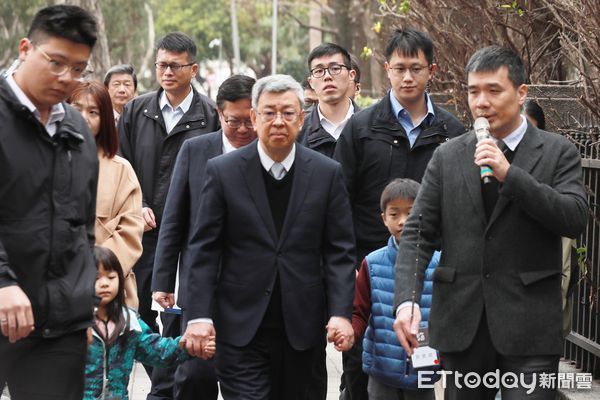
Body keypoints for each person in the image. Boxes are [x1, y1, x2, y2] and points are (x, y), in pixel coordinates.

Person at [393, 46, 588, 399]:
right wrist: (407, 302)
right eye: (473, 91)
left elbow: (573, 218)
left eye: (493, 90)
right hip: (461, 321)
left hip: (529, 325)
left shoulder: (559, 151)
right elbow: (418, 234)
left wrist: (510, 175)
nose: (481, 102)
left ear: (521, 93)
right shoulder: (447, 156)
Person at [181, 74, 356, 400]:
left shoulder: (326, 173)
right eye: (269, 112)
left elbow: (339, 251)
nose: (279, 121)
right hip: (239, 327)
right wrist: (199, 316)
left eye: (288, 113)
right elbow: (204, 250)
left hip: (303, 329)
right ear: (254, 117)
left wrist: (341, 312)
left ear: (301, 119)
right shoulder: (223, 172)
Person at [334, 27, 465, 400]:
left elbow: (459, 206)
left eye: (416, 68)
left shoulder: (450, 131)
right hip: (370, 273)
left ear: (431, 71)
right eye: (399, 68)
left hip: (430, 276)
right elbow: (339, 199)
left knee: (422, 370)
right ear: (386, 69)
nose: (408, 77)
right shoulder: (360, 128)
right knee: (362, 370)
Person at [0, 5, 99, 400]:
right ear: (25, 48)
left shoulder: (77, 129)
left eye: (77, 69)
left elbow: (83, 227)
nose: (66, 78)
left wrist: (84, 305)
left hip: (59, 326)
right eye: (55, 62)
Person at [118, 31, 219, 378]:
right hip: (142, 232)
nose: (167, 72)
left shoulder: (210, 115)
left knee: (180, 313)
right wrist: (139, 203)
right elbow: (122, 162)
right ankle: (161, 380)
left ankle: (172, 383)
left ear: (193, 69)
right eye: (162, 65)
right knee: (138, 313)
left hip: (189, 235)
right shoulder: (136, 110)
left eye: (175, 66)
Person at [151, 74, 257, 400]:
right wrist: (163, 280)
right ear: (218, 112)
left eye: (249, 120)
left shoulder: (272, 154)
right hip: (200, 282)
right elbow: (174, 219)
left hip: (252, 284)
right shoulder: (195, 150)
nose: (242, 130)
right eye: (233, 121)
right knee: (194, 373)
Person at [84, 246, 213, 400]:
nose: (105, 283)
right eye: (97, 278)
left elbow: (158, 351)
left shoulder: (129, 323)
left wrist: (189, 345)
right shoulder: (74, 324)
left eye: (111, 277)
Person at [352, 178, 437, 400]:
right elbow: (359, 310)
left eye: (410, 212)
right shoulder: (372, 263)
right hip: (381, 368)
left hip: (424, 367)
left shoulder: (439, 264)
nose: (403, 221)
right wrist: (350, 332)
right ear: (383, 219)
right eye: (394, 214)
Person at [68, 80, 143, 310]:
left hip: (110, 296)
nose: (84, 118)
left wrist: (95, 273)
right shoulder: (44, 162)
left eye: (93, 112)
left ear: (106, 120)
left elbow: (129, 233)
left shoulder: (121, 170)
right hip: (57, 289)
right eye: (76, 109)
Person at [300, 42, 359, 158]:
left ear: (351, 75)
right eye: (319, 71)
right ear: (311, 81)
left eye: (335, 68)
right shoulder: (299, 132)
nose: (327, 76)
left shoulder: (373, 127)